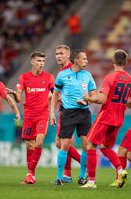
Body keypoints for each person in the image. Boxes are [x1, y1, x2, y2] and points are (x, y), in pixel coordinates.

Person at [80, 49, 131, 189]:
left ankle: (91, 181)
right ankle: (120, 170)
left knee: (90, 145)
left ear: (113, 61)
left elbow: (102, 100)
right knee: (105, 147)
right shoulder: (130, 79)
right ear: (126, 62)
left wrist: (89, 98)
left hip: (106, 116)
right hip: (118, 119)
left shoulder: (110, 77)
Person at [7, 52, 55, 184]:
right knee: (29, 145)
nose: (41, 63)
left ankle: (29, 174)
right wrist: (13, 93)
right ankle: (31, 175)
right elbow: (18, 97)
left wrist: (50, 104)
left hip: (42, 115)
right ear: (32, 62)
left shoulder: (49, 77)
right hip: (28, 116)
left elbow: (54, 93)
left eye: (43, 61)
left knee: (38, 143)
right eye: (39, 61)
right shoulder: (23, 77)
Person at [50, 49, 96, 186]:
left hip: (84, 113)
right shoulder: (62, 75)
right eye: (84, 59)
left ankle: (82, 176)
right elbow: (55, 95)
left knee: (86, 145)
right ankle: (59, 177)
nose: (86, 61)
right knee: (64, 145)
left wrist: (86, 101)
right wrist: (52, 113)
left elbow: (94, 96)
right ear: (76, 60)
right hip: (68, 113)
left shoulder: (87, 75)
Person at [55, 45, 81, 183]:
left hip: (68, 111)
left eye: (61, 53)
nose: (58, 56)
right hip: (67, 110)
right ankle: (67, 174)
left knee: (60, 143)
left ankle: (85, 163)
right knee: (65, 143)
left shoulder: (70, 70)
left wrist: (56, 96)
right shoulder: (64, 71)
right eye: (57, 53)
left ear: (68, 55)